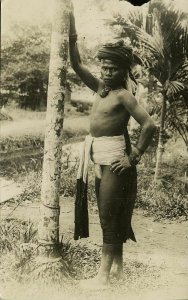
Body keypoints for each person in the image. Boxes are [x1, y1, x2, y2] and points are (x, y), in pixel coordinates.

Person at [69, 11, 156, 290]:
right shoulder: (99, 88)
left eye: (113, 69)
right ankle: (117, 269)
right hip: (97, 156)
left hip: (115, 158)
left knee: (108, 216)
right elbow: (77, 64)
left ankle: (103, 278)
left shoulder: (123, 95)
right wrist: (71, 31)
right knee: (112, 214)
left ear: (123, 70)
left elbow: (149, 125)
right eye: (104, 68)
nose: (106, 73)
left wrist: (133, 157)